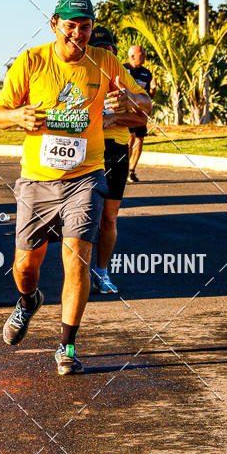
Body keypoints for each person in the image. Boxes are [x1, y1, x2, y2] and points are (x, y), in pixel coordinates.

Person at [0, 0, 151, 374]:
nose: (78, 33)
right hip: (37, 180)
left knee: (76, 255)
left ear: (92, 28)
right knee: (26, 265)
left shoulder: (106, 61)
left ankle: (67, 346)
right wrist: (17, 118)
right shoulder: (32, 61)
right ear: (55, 24)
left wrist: (128, 97)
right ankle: (28, 301)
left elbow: (144, 106)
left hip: (86, 176)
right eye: (72, 25)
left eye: (86, 25)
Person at [89, 27, 149, 294]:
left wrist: (115, 117)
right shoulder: (79, 75)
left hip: (114, 150)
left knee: (108, 219)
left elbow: (142, 117)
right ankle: (77, 272)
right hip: (85, 150)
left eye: (109, 48)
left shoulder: (121, 78)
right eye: (99, 48)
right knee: (78, 218)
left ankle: (101, 272)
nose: (105, 53)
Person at [124, 45, 156, 183]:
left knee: (139, 140)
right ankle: (123, 169)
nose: (144, 57)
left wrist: (153, 88)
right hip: (126, 112)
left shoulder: (147, 73)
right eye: (141, 55)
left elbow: (150, 96)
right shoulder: (122, 68)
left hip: (141, 113)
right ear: (132, 56)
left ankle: (131, 171)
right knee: (130, 139)